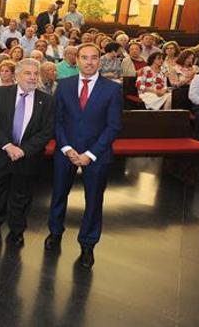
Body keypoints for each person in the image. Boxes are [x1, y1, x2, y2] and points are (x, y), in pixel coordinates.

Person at [46, 43, 123, 269]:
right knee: (59, 194)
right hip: (66, 152)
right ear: (76, 60)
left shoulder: (112, 89)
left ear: (99, 60)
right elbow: (57, 120)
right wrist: (66, 148)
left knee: (94, 200)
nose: (89, 62)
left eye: (93, 58)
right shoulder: (65, 85)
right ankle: (55, 232)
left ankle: (88, 244)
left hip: (97, 154)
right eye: (84, 57)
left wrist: (90, 154)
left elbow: (113, 127)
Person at [0, 59, 55, 246]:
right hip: (0, 153)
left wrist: (23, 150)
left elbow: (47, 131)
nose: (32, 77)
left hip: (27, 157)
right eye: (27, 73)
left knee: (22, 196)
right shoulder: (1, 93)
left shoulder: (46, 100)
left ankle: (17, 229)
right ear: (17, 75)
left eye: (35, 74)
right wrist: (8, 146)